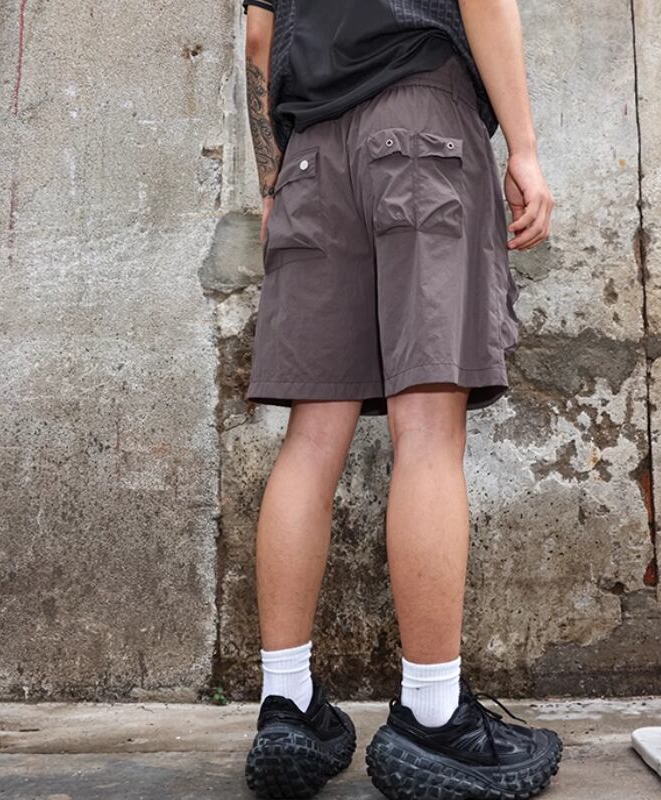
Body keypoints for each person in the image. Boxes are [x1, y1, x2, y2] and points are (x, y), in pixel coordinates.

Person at [241, 1, 562, 798]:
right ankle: (433, 712)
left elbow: (258, 37)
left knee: (312, 438)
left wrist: (274, 180)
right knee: (427, 431)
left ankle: (286, 703)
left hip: (310, 153)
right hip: (419, 126)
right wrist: (523, 148)